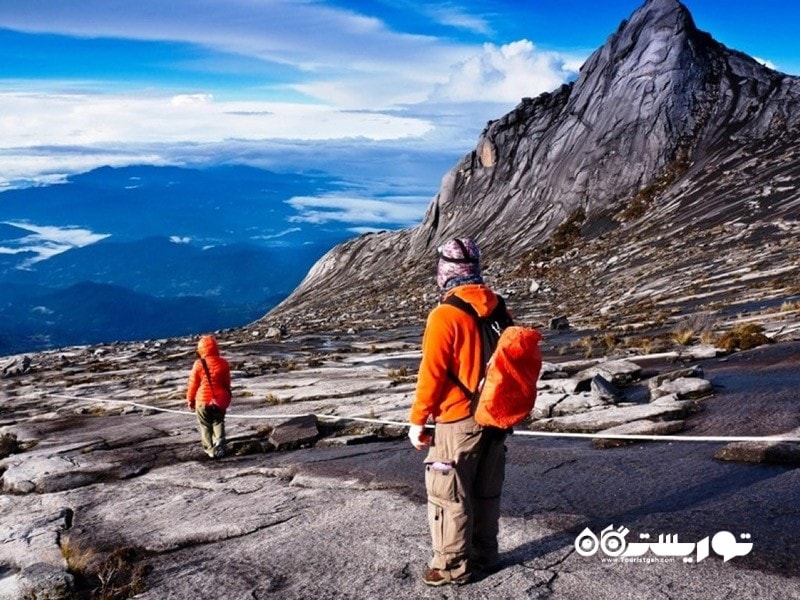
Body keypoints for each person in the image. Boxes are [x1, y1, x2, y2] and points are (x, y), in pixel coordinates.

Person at [408, 237, 511, 587]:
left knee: (447, 495)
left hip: (457, 421)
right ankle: (485, 554)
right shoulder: (499, 310)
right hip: (495, 419)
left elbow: (432, 374)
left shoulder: (445, 315)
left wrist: (417, 420)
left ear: (444, 272)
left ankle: (450, 567)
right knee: (485, 491)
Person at [186, 334, 232, 458]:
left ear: (200, 349)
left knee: (205, 426)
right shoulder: (223, 363)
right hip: (218, 400)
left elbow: (193, 384)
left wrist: (190, 399)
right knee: (218, 421)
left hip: (202, 400)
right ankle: (220, 443)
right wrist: (226, 396)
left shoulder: (198, 364)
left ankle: (210, 450)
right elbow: (226, 383)